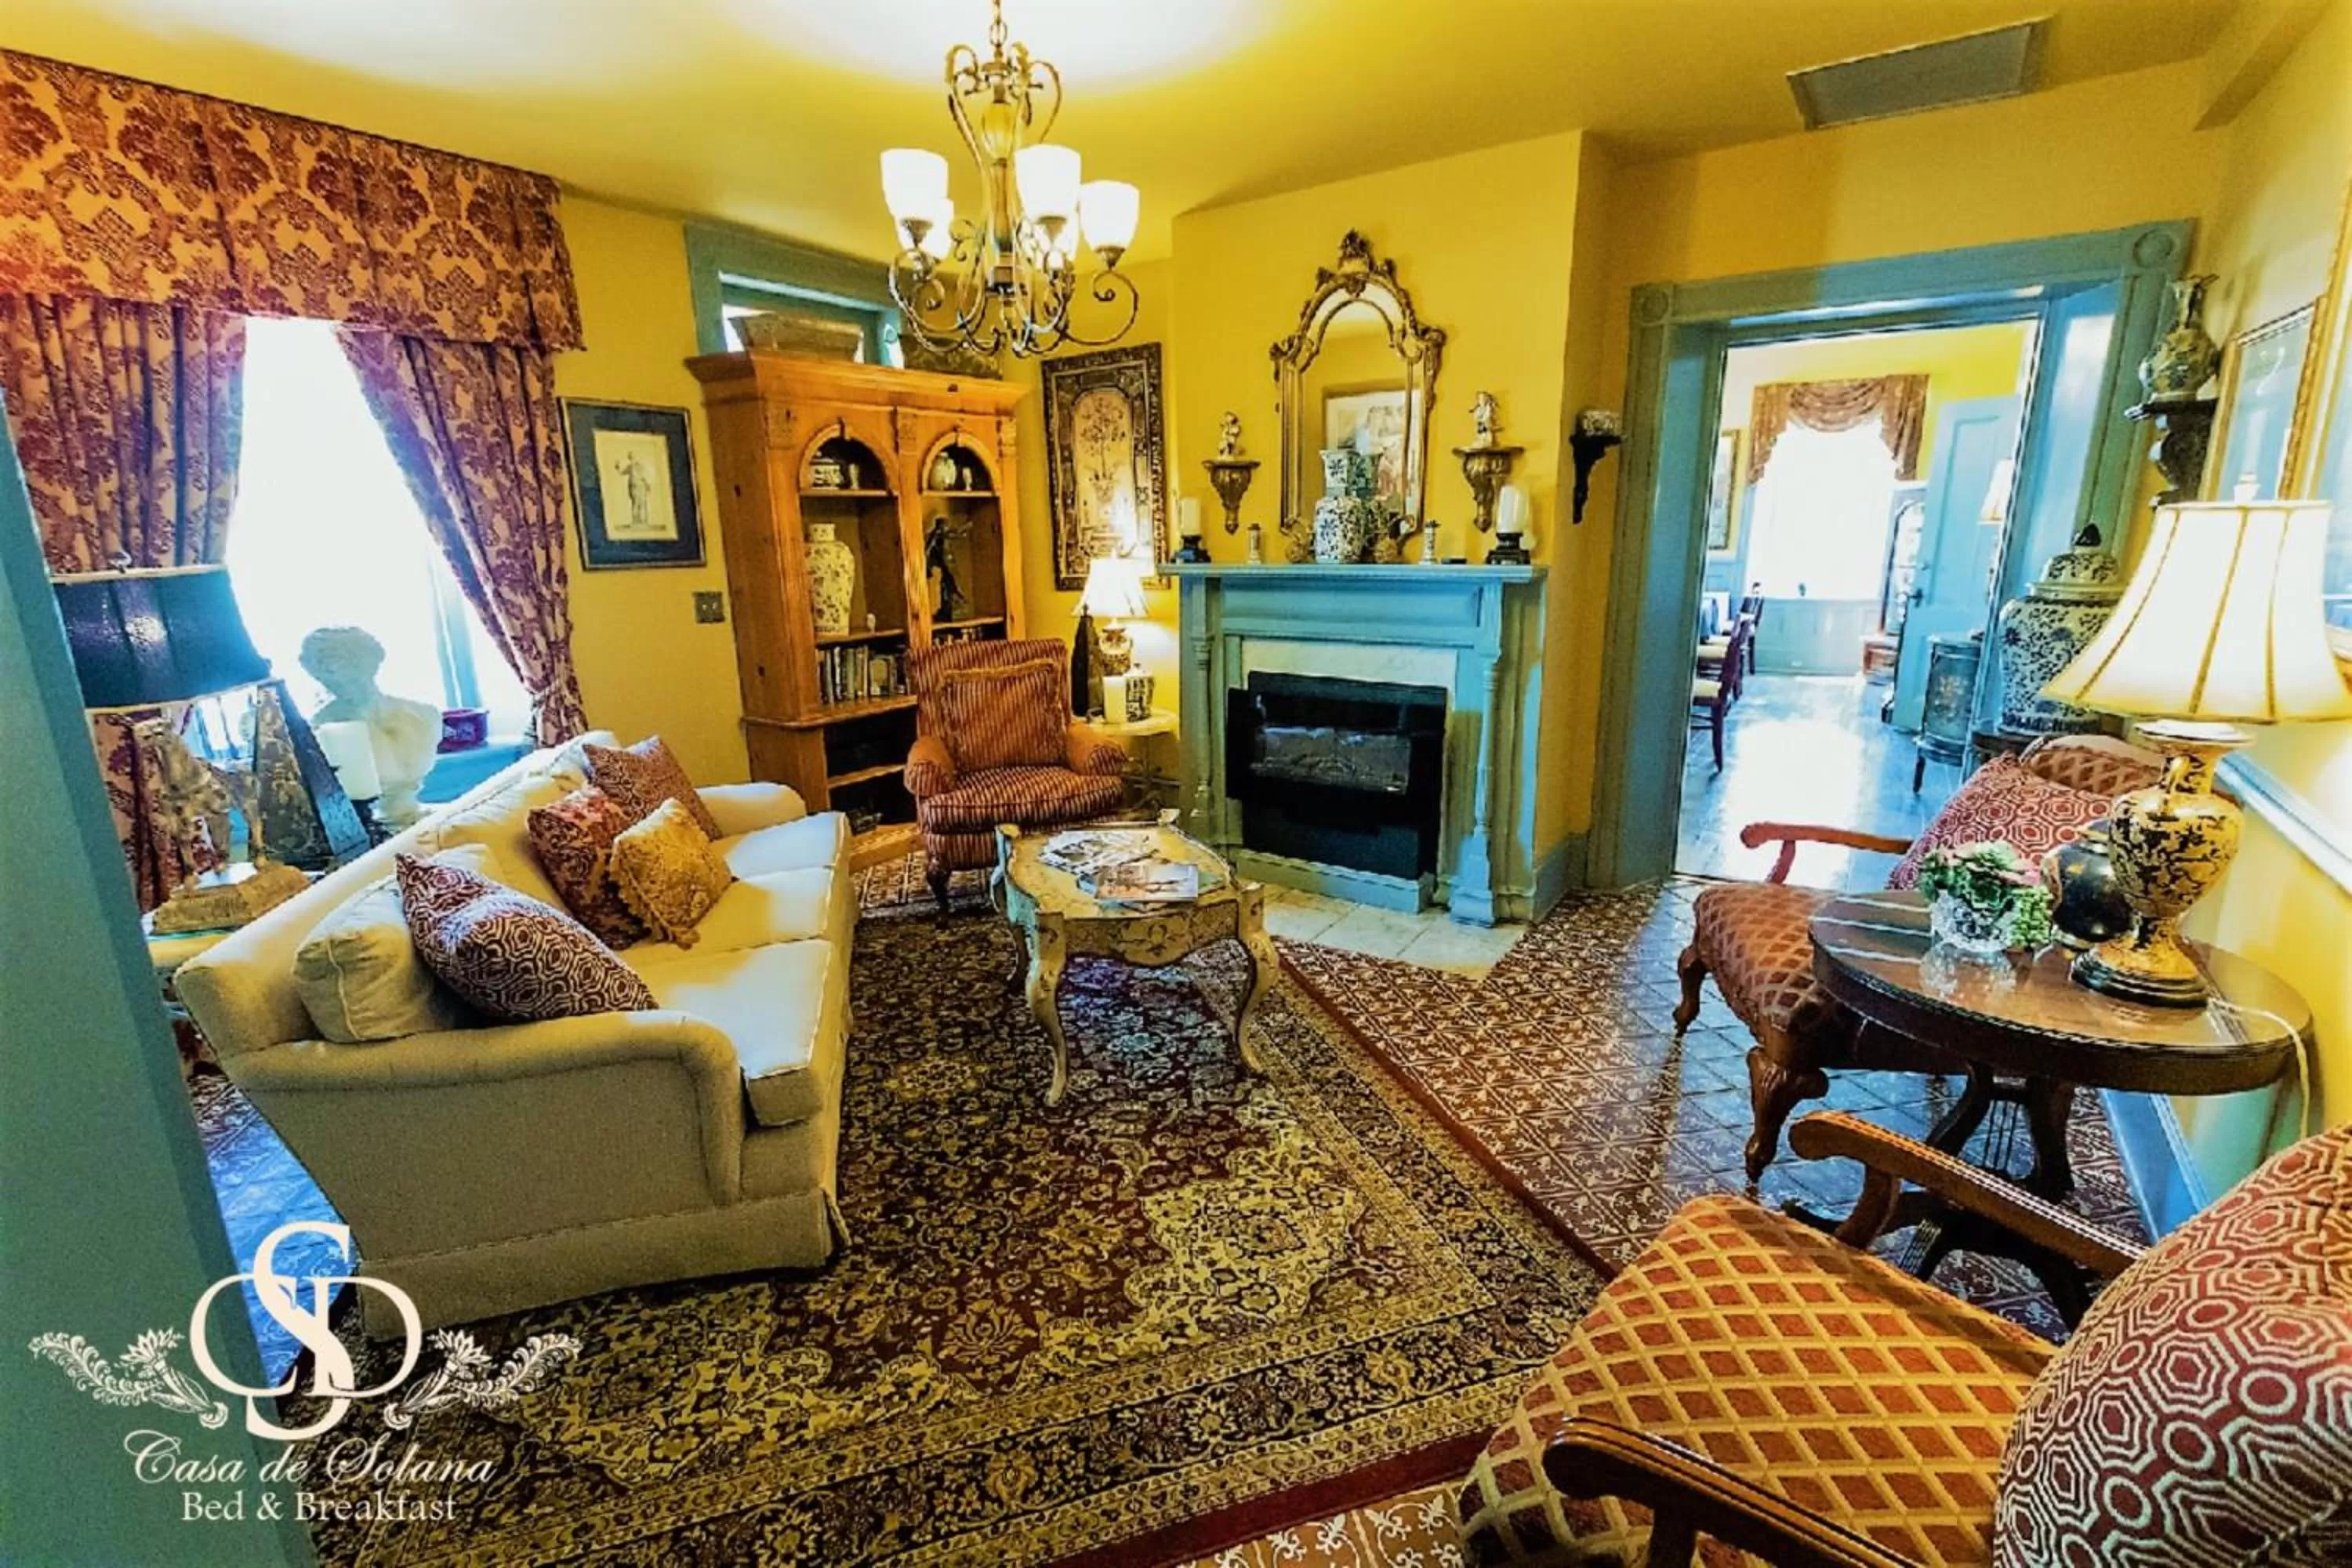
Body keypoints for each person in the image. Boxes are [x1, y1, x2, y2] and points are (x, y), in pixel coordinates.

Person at [299, 626, 442, 827]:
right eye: (320, 663)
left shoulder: (425, 714)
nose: (330, 670)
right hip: (375, 826)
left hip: (420, 816)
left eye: (339, 658)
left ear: (369, 661)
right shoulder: (320, 728)